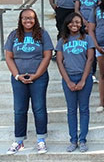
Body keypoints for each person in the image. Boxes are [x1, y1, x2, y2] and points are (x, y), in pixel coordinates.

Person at [5, 9, 53, 155]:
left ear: (35, 19)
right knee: (19, 110)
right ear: (20, 19)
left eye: (31, 18)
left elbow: (47, 56)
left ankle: (41, 140)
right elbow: (8, 56)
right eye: (25, 18)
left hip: (38, 78)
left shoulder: (42, 34)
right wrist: (17, 75)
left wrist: (36, 75)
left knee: (39, 108)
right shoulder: (14, 35)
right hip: (19, 78)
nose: (28, 21)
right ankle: (19, 141)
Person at [56, 13, 95, 153]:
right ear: (67, 24)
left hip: (84, 77)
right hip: (68, 77)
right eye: (72, 22)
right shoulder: (62, 40)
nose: (75, 25)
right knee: (71, 110)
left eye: (78, 22)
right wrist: (68, 81)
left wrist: (83, 79)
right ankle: (73, 140)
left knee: (84, 109)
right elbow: (59, 62)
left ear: (81, 24)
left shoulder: (87, 39)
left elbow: (90, 60)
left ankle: (83, 139)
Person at [74, 0, 101, 84]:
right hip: (81, 23)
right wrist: (83, 21)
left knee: (92, 49)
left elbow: (99, 8)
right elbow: (76, 9)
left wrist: (91, 23)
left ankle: (93, 73)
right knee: (83, 49)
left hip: (94, 24)